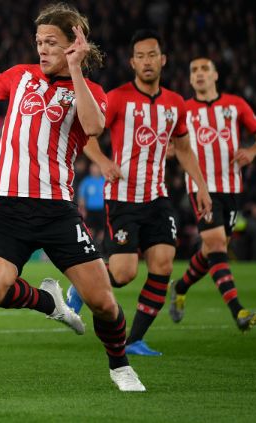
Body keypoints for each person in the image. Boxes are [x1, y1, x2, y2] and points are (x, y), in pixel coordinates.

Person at [0, 3, 145, 391]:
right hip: (6, 206)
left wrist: (78, 69)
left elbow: (94, 125)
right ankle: (49, 303)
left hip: (56, 212)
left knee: (102, 301)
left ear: (73, 46)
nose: (43, 50)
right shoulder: (22, 77)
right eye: (39, 42)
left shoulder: (89, 92)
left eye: (52, 43)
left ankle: (120, 366)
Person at [68, 29, 212, 356]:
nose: (147, 62)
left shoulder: (175, 103)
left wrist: (201, 188)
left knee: (163, 263)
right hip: (123, 197)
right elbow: (88, 134)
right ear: (133, 62)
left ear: (162, 60)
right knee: (124, 272)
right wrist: (104, 161)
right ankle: (81, 284)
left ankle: (134, 340)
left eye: (153, 55)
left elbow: (185, 149)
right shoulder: (118, 97)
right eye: (141, 56)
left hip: (157, 198)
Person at [169, 57, 256, 331]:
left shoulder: (235, 105)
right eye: (194, 71)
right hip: (202, 188)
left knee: (211, 248)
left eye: (204, 69)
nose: (199, 74)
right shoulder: (183, 110)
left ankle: (181, 286)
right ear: (189, 80)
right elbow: (172, 145)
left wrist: (253, 151)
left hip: (232, 189)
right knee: (217, 245)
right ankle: (238, 311)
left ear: (215, 76)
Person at [77, 163, 107, 244]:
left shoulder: (104, 180)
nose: (93, 170)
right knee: (90, 230)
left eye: (96, 168)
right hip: (90, 210)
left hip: (102, 210)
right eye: (92, 168)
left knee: (103, 230)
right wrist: (82, 209)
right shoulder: (86, 181)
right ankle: (91, 247)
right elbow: (82, 196)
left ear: (100, 169)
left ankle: (101, 248)